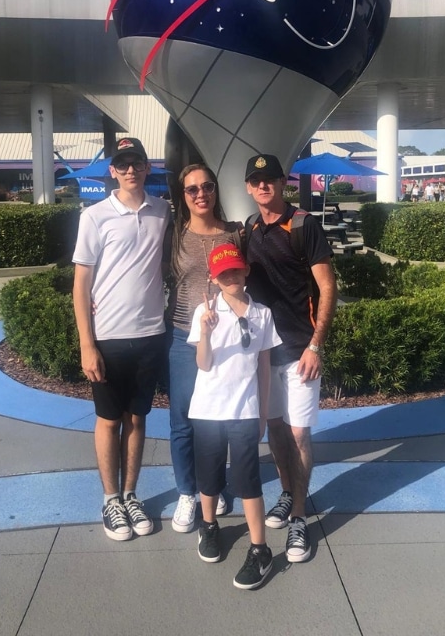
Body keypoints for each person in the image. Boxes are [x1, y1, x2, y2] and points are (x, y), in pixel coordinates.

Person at [72, 137, 172, 542]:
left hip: (151, 334)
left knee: (137, 417)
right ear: (112, 170)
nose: (131, 170)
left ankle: (131, 494)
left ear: (147, 168)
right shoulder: (95, 216)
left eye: (137, 163)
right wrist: (87, 343)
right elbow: (81, 284)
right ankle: (110, 498)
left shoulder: (162, 210)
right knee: (109, 419)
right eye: (123, 164)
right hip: (109, 337)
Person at [244, 154, 337, 563]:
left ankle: (299, 517)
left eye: (270, 179)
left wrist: (316, 345)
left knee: (299, 435)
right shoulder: (248, 230)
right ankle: (286, 493)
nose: (263, 186)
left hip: (301, 349)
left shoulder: (303, 225)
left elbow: (328, 288)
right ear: (248, 187)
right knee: (277, 431)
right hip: (264, 353)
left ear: (283, 183)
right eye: (256, 180)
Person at [188, 243, 281, 589]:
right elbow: (203, 363)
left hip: (244, 410)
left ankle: (260, 549)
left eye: (236, 269)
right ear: (213, 278)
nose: (231, 276)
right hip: (208, 410)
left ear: (246, 271)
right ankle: (209, 526)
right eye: (223, 272)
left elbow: (265, 368)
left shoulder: (263, 314)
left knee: (248, 480)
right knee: (209, 476)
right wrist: (207, 334)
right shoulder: (206, 312)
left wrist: (262, 413)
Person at [167, 163, 243, 533]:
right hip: (184, 336)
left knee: (217, 421)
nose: (201, 194)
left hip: (227, 339)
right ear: (183, 196)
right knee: (183, 421)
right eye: (192, 189)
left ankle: (212, 485)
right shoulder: (174, 236)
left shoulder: (235, 233)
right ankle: (186, 492)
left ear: (215, 190)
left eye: (207, 186)